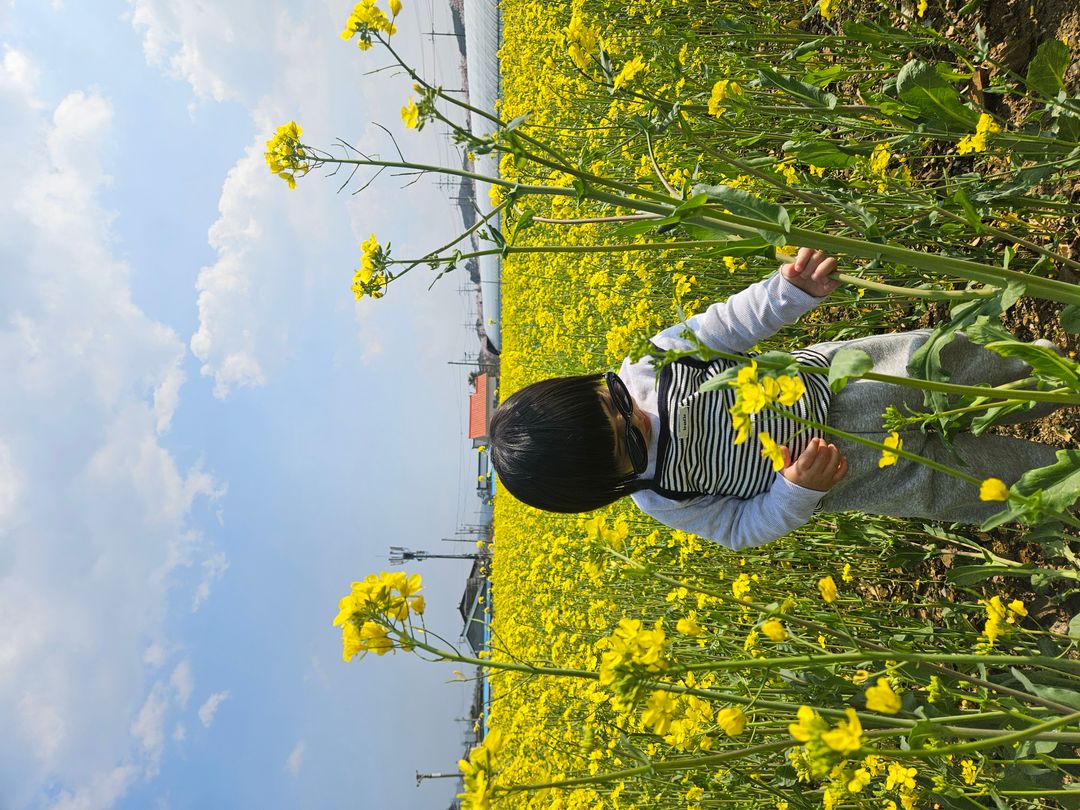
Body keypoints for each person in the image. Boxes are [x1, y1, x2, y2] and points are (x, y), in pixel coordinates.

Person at [488, 249, 1063, 550]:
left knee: (951, 369)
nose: (635, 416)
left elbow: (729, 326)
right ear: (613, 487)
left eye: (611, 400)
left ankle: (1058, 378)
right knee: (984, 484)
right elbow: (742, 528)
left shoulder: (651, 363)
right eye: (629, 445)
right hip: (857, 474)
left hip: (847, 385)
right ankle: (1065, 484)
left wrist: (789, 292)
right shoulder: (662, 498)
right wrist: (794, 492)